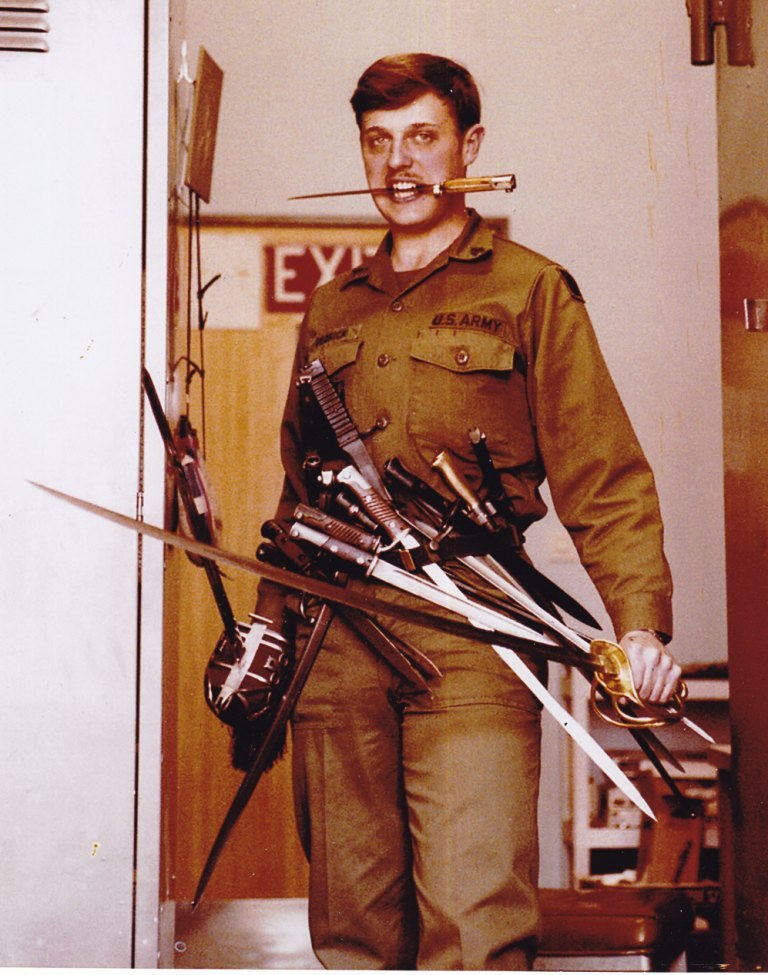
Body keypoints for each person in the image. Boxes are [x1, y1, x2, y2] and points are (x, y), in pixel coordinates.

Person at [253, 52, 682, 970]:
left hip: (473, 629)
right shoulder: (330, 307)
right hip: (336, 636)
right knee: (352, 929)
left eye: (422, 137)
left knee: (473, 918)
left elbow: (603, 471)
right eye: (378, 141)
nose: (399, 163)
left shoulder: (529, 289)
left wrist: (639, 622)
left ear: (470, 147)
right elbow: (298, 490)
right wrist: (267, 634)